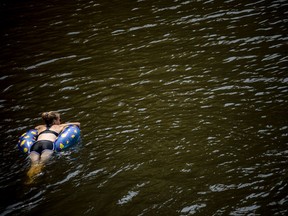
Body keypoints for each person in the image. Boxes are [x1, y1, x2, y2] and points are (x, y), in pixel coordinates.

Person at [27, 111, 80, 183]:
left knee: (33, 164)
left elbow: (35, 128)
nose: (60, 121)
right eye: (59, 120)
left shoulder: (40, 127)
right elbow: (78, 124)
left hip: (36, 145)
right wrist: (64, 124)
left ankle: (29, 178)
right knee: (41, 164)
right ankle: (33, 180)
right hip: (48, 144)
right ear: (55, 121)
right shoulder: (58, 126)